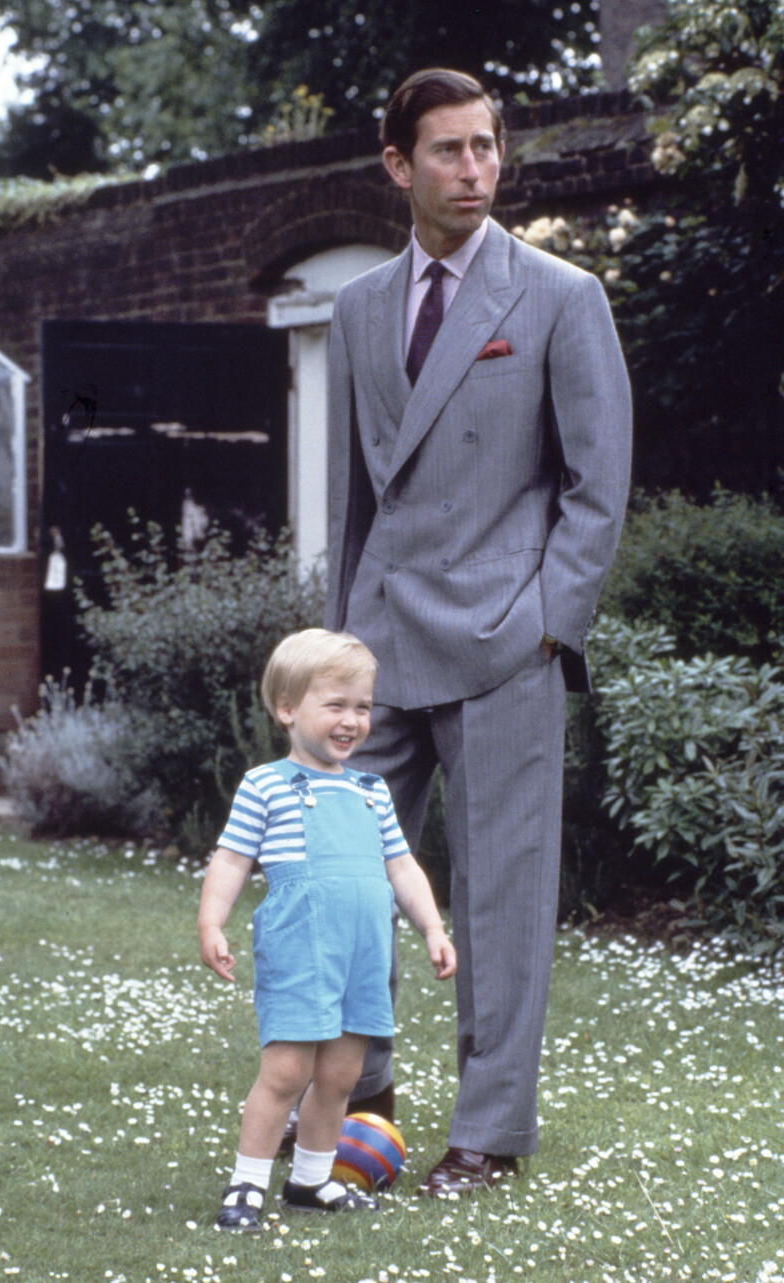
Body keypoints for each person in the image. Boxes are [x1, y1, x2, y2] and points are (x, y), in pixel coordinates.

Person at [325, 68, 632, 1195]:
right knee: (345, 873)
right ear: (397, 166)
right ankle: (362, 1097)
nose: (474, 171)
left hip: (508, 644)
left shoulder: (560, 295)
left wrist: (550, 623)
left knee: (502, 894)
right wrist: (337, 650)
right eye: (448, 151)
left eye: (487, 148)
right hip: (381, 644)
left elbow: (599, 487)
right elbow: (358, 498)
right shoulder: (357, 308)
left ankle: (488, 1135)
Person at [198, 628, 457, 1231]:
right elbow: (232, 860)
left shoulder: (371, 792)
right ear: (288, 709)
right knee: (286, 1072)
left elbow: (402, 867)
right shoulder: (265, 785)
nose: (351, 720)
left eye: (362, 707)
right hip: (301, 947)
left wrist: (431, 928)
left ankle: (312, 1181)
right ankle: (247, 1185)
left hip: (365, 952)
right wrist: (213, 921)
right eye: (335, 705)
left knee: (341, 1075)